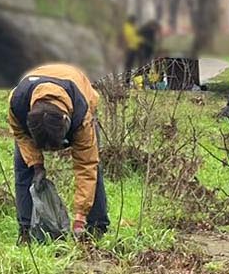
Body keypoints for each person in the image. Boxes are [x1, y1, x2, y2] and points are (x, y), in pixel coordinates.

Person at [8, 64, 110, 242]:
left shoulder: (81, 114)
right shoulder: (17, 103)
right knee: (24, 168)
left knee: (93, 167)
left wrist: (80, 215)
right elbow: (21, 135)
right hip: (36, 102)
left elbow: (85, 165)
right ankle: (26, 231)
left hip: (77, 90)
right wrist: (36, 164)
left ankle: (96, 227)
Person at [121, 15, 142, 81]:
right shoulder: (128, 28)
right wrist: (140, 40)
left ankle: (127, 80)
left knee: (130, 66)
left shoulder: (131, 27)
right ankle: (127, 80)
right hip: (131, 49)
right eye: (134, 21)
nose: (135, 23)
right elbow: (131, 38)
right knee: (129, 66)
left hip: (133, 48)